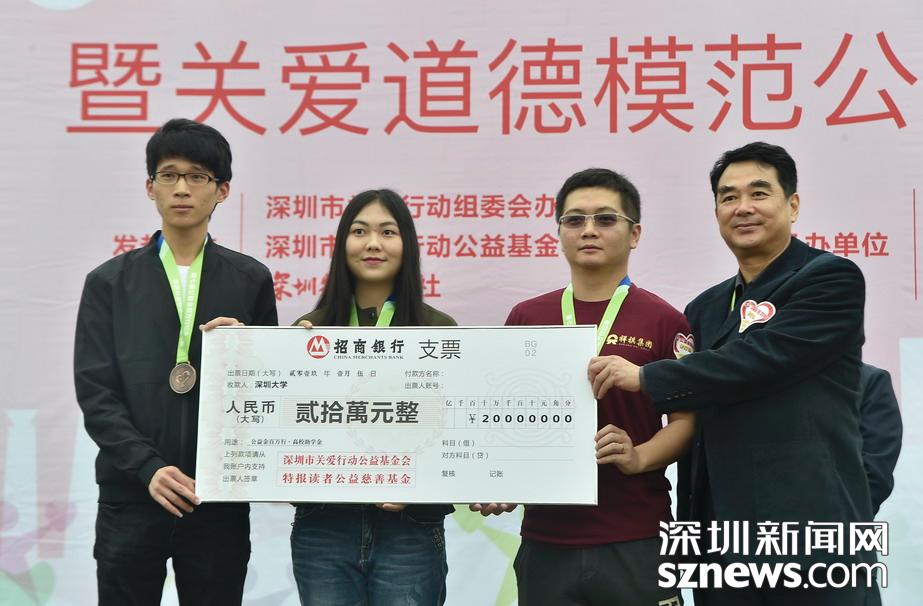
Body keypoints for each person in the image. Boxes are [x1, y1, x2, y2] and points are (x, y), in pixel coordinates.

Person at [603, 142, 874, 605]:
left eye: (759, 193)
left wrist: (646, 377)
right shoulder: (703, 308)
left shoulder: (830, 279)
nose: (742, 207)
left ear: (793, 205)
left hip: (806, 533)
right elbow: (688, 413)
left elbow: (762, 359)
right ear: (716, 212)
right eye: (728, 197)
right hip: (718, 538)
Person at [73, 118, 278, 605]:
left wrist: (248, 349)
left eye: (198, 176)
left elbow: (267, 391)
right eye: (169, 175)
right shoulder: (108, 283)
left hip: (216, 497)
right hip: (132, 492)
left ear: (222, 190)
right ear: (150, 187)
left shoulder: (250, 279)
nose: (182, 188)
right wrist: (148, 468)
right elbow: (96, 393)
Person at [475, 168, 692, 606]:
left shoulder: (665, 320)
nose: (589, 230)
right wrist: (499, 480)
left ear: (634, 234)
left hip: (638, 535)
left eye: (606, 219)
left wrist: (638, 456)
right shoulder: (527, 317)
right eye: (574, 220)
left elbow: (686, 422)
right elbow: (500, 419)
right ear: (559, 233)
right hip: (546, 539)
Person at [292, 189, 456, 606]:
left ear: (407, 245)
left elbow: (453, 432)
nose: (373, 244)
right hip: (324, 526)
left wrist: (419, 484)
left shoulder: (438, 331)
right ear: (342, 243)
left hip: (409, 527)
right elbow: (285, 429)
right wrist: (260, 355)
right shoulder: (308, 331)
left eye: (387, 232)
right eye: (360, 231)